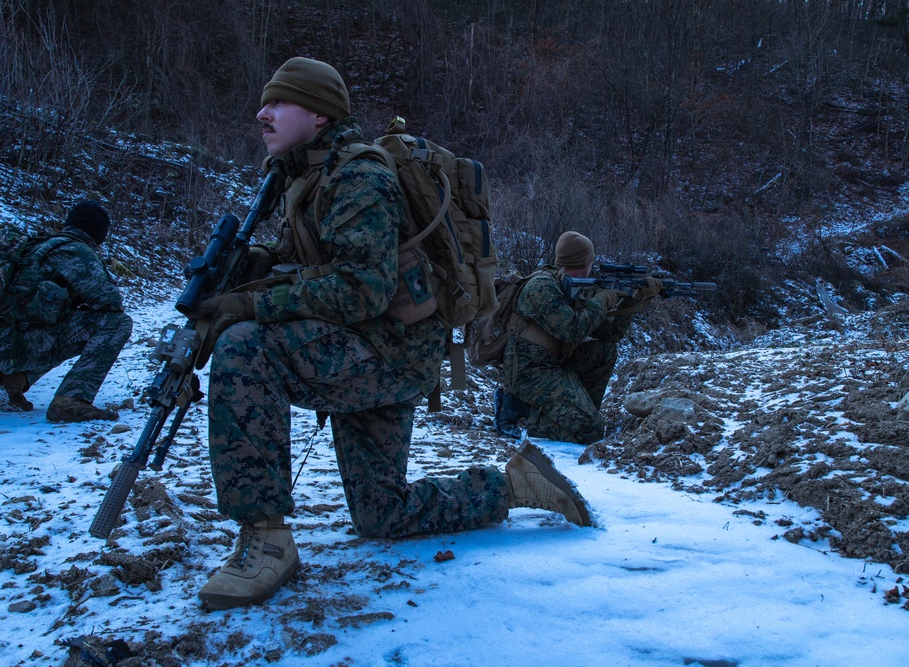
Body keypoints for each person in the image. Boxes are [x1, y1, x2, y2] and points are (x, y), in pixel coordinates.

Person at [188, 57, 596, 611]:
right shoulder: (305, 175)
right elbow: (316, 265)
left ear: (320, 115)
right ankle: (516, 485)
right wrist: (255, 269)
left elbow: (363, 290)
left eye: (278, 102)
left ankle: (266, 541)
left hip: (389, 354)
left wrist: (251, 304)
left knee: (246, 347)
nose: (262, 112)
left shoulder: (358, 176)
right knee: (384, 514)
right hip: (373, 349)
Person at [0, 200, 132, 422]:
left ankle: (11, 382)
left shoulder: (40, 244)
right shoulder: (77, 251)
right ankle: (71, 401)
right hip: (14, 343)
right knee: (116, 323)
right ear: (99, 232)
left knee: (54, 323)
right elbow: (110, 302)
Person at [497, 231, 662, 443]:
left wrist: (634, 299)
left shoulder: (573, 286)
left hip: (554, 364)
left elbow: (609, 334)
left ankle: (580, 413)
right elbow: (572, 329)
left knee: (604, 351)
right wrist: (601, 301)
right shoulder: (542, 286)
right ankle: (518, 406)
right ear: (586, 262)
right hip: (529, 372)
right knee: (590, 431)